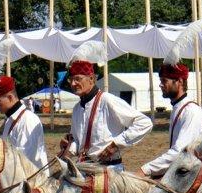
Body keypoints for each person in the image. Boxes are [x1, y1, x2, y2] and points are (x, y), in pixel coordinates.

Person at [59, 41, 152, 171]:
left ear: (91, 79)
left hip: (110, 171)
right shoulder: (77, 109)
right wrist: (69, 147)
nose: (73, 84)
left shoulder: (107, 100)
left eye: (78, 79)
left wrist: (115, 145)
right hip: (85, 169)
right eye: (71, 80)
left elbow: (144, 123)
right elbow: (78, 141)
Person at [138, 62, 202, 178]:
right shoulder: (179, 108)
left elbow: (179, 152)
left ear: (179, 81)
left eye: (164, 81)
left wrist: (146, 170)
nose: (160, 85)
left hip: (191, 180)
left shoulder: (191, 111)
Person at [0, 75, 49, 169]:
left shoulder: (28, 120)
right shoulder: (10, 119)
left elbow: (25, 159)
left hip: (32, 180)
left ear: (10, 97)